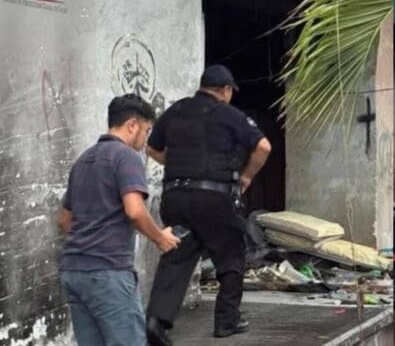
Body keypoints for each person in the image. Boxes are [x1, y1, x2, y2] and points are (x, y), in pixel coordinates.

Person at [144, 64, 271, 343]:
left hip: (175, 197)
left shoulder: (175, 111)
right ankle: (227, 321)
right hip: (214, 198)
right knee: (230, 253)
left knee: (176, 257)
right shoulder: (228, 114)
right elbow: (263, 147)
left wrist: (177, 166)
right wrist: (247, 177)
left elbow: (152, 147)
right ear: (225, 90)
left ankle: (156, 321)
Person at [56, 94, 181, 345]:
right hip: (107, 273)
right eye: (147, 130)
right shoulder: (125, 156)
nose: (146, 138)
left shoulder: (83, 160)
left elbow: (64, 219)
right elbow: (134, 210)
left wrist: (89, 240)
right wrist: (160, 237)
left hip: (74, 272)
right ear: (132, 125)